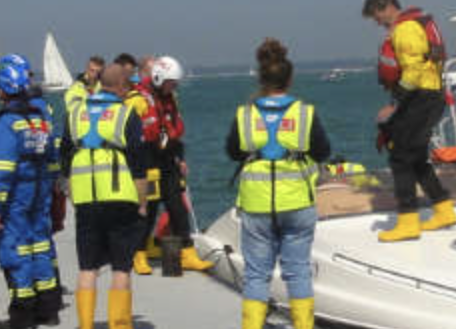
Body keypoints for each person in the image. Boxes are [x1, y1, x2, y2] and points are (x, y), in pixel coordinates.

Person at [228, 39, 329, 329]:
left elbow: (233, 151)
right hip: (297, 202)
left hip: (256, 205)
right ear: (290, 78)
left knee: (257, 275)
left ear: (261, 77)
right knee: (298, 272)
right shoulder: (305, 113)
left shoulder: (245, 115)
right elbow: (322, 151)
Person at [362, 0, 455, 242]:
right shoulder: (415, 25)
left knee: (400, 157)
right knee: (415, 157)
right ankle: (444, 210)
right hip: (430, 96)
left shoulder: (405, 30)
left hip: (421, 98)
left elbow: (413, 72)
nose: (377, 23)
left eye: (376, 17)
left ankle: (408, 221)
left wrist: (394, 103)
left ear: (386, 7)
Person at [66, 64, 149, 329]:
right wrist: (143, 203)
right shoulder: (126, 115)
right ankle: (120, 325)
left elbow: (64, 158)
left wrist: (72, 194)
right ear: (122, 86)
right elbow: (138, 165)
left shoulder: (74, 113)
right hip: (120, 198)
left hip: (85, 200)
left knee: (87, 268)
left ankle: (86, 325)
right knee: (121, 268)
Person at [0, 60, 61, 329]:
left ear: (3, 88)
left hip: (18, 194)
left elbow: (4, 169)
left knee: (15, 250)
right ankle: (49, 309)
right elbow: (52, 158)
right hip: (40, 191)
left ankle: (22, 316)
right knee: (41, 247)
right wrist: (52, 188)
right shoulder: (39, 118)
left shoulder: (8, 122)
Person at [135, 55, 213, 273]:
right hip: (148, 161)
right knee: (148, 209)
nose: (174, 87)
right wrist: (165, 139)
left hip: (168, 159)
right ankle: (139, 253)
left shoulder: (169, 98)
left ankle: (188, 253)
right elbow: (147, 132)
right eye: (171, 83)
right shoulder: (139, 98)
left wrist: (179, 157)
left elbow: (175, 129)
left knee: (177, 207)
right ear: (159, 78)